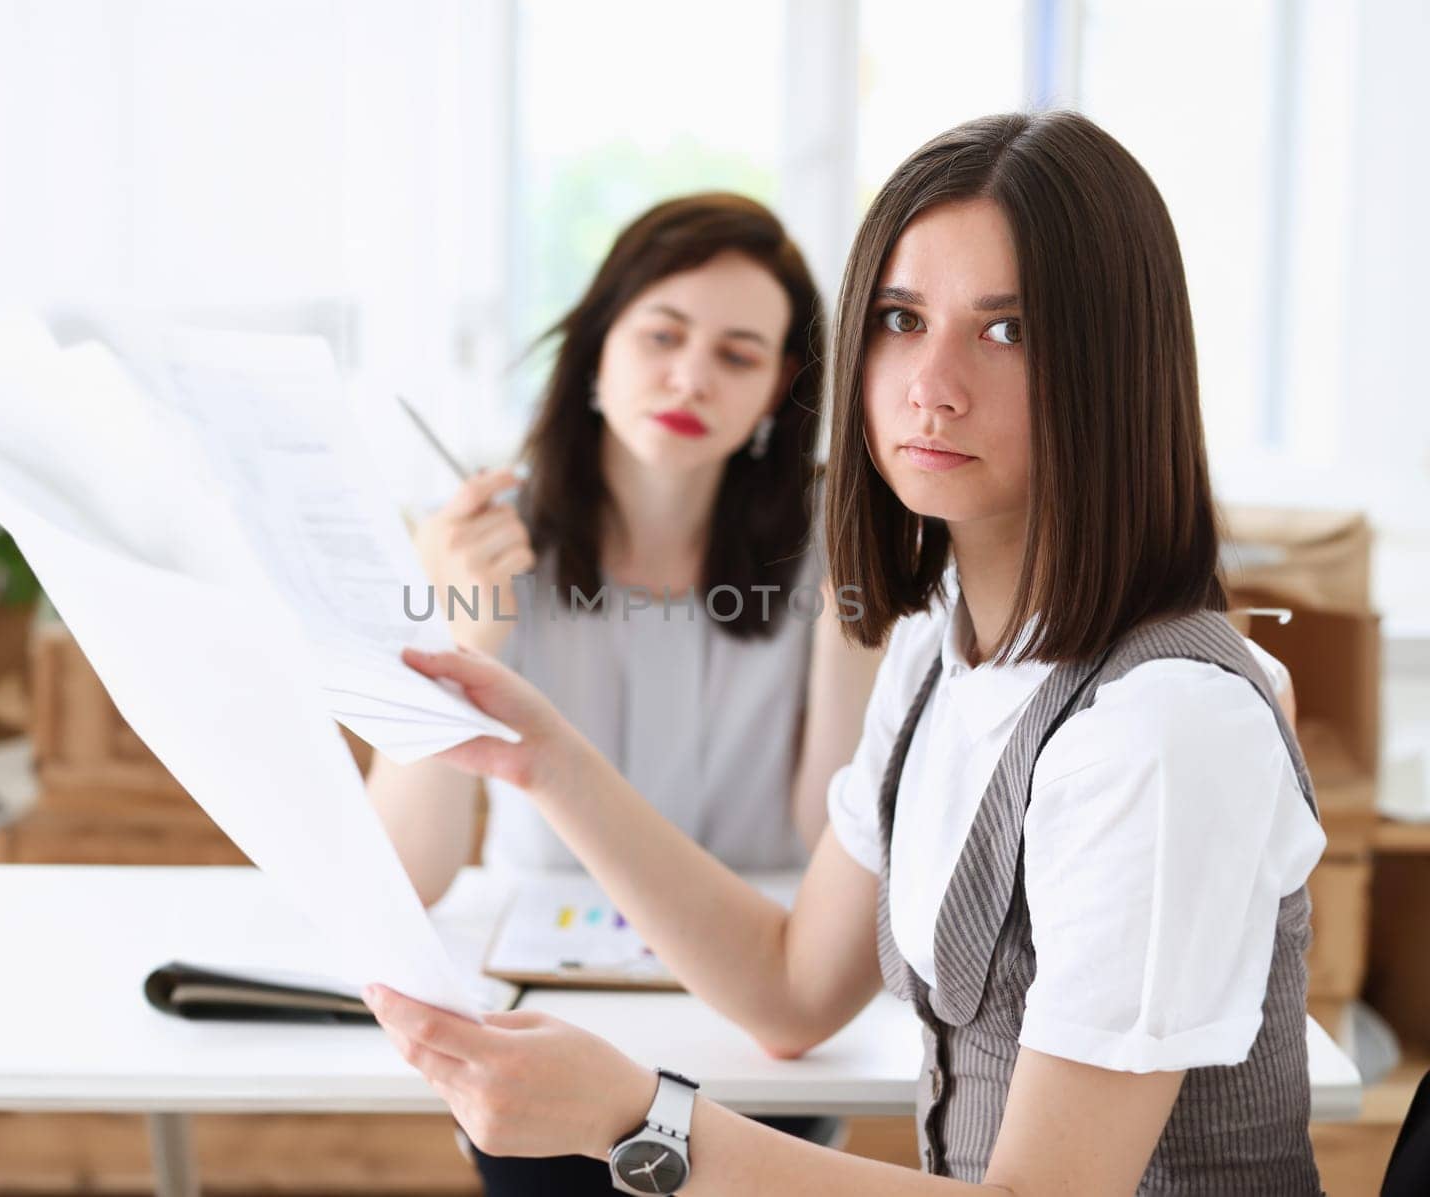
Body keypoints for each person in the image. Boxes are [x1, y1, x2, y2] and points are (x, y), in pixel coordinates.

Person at [366, 111, 1327, 1195]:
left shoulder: (1159, 730)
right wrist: (544, 757)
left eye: (1007, 331)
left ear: (1117, 368)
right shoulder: (935, 654)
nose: (931, 383)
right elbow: (789, 991)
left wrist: (644, 1122)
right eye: (901, 318)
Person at [367, 193, 885, 1191]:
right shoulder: (484, 542)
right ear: (598, 347)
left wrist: (855, 628)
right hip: (549, 1015)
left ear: (780, 388)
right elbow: (407, 872)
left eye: (738, 355)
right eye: (662, 334)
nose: (690, 375)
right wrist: (457, 629)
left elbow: (831, 841)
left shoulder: (833, 548)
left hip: (755, 1004)